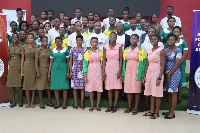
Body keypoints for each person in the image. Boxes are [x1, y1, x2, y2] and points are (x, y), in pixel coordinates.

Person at [122, 34, 146, 115]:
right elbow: (124, 63)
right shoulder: (126, 50)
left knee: (137, 90)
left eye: (135, 39)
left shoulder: (141, 50)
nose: (132, 40)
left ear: (138, 40)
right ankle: (129, 107)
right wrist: (123, 73)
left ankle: (136, 107)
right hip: (128, 71)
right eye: (131, 39)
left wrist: (142, 75)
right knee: (128, 90)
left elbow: (143, 64)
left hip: (137, 71)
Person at [143, 34, 165, 119]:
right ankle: (151, 111)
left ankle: (157, 112)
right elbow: (147, 64)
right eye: (152, 39)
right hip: (150, 72)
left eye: (155, 39)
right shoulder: (149, 50)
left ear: (158, 40)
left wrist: (159, 77)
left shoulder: (161, 50)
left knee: (157, 93)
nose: (153, 40)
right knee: (151, 92)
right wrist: (145, 76)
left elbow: (163, 64)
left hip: (157, 72)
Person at [163, 33, 182, 119]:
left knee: (173, 92)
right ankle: (169, 110)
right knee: (168, 93)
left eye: (172, 40)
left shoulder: (178, 50)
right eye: (169, 40)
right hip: (166, 74)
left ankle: (172, 113)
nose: (170, 41)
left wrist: (169, 74)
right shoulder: (165, 49)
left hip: (174, 74)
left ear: (175, 41)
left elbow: (177, 64)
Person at [103, 32, 122, 113]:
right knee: (109, 87)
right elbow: (104, 59)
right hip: (108, 67)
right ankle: (110, 105)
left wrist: (120, 70)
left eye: (114, 36)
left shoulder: (119, 47)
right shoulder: (105, 47)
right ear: (109, 38)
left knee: (117, 87)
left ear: (116, 38)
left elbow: (121, 59)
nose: (112, 37)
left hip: (116, 66)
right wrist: (103, 71)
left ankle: (115, 105)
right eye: (111, 36)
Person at [48, 37, 70, 109]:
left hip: (63, 69)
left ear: (62, 42)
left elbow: (68, 61)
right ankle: (58, 103)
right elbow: (51, 62)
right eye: (56, 41)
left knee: (64, 87)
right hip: (54, 70)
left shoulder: (66, 50)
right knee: (55, 87)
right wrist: (49, 72)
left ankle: (64, 103)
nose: (58, 43)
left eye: (59, 41)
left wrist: (68, 72)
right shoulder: (52, 51)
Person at [83, 37, 103, 112]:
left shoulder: (101, 52)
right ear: (90, 43)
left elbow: (103, 62)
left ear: (97, 43)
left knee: (98, 88)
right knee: (90, 88)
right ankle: (91, 104)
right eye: (93, 42)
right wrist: (85, 75)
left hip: (99, 71)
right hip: (90, 71)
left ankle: (97, 104)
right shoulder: (87, 52)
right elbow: (85, 64)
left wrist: (103, 73)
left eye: (95, 42)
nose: (94, 43)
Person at [35, 36, 53, 109]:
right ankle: (41, 103)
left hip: (48, 69)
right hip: (41, 70)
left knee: (48, 87)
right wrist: (37, 71)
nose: (45, 42)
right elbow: (36, 61)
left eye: (46, 41)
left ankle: (49, 102)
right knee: (40, 87)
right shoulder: (38, 50)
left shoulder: (49, 51)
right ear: (41, 42)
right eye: (44, 41)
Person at [69, 34, 87, 109]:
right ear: (76, 41)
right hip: (75, 69)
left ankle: (82, 102)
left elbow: (86, 61)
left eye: (80, 40)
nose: (79, 41)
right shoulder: (72, 49)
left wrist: (86, 72)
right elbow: (70, 61)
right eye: (77, 40)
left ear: (82, 41)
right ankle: (76, 102)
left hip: (82, 70)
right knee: (75, 88)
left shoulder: (85, 50)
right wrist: (70, 72)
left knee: (82, 87)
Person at [21, 33, 38, 108]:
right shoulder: (23, 47)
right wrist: (21, 71)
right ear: (26, 39)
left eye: (31, 38)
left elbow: (37, 59)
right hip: (26, 66)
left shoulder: (36, 47)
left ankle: (32, 102)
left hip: (34, 66)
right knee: (27, 85)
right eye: (28, 38)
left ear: (33, 39)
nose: (30, 39)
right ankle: (28, 102)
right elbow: (22, 59)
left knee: (33, 85)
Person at [6, 33, 23, 107]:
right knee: (12, 85)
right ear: (11, 39)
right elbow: (8, 57)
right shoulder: (9, 47)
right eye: (13, 37)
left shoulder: (21, 47)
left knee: (20, 85)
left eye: (16, 37)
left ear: (18, 38)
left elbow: (22, 58)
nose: (15, 38)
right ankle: (13, 101)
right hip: (12, 66)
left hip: (19, 66)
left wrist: (22, 70)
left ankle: (20, 101)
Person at [172, 26, 188, 104]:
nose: (176, 33)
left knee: (179, 81)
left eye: (177, 32)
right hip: (171, 64)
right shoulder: (170, 42)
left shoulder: (183, 43)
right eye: (174, 32)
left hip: (180, 65)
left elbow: (184, 55)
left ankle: (179, 97)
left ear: (180, 33)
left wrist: (178, 64)